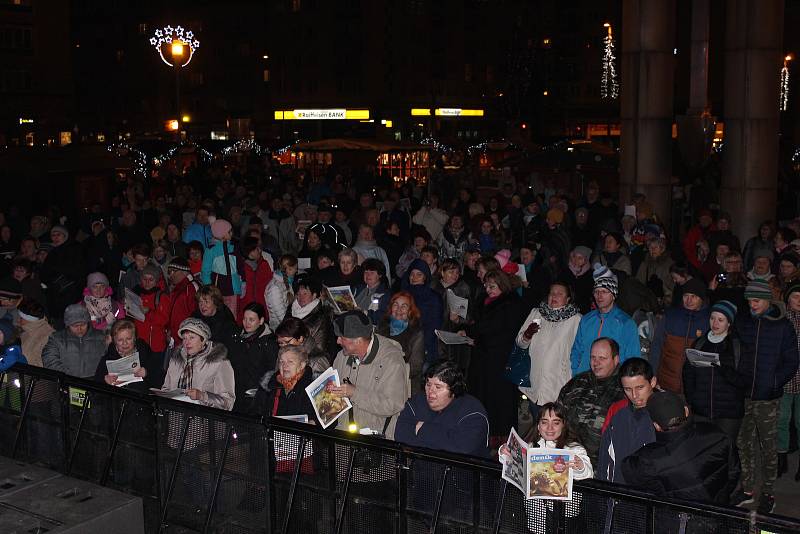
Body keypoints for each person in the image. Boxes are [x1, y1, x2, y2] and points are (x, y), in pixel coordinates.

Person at [733, 279, 800, 512]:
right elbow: (736, 351)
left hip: (767, 397)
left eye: (757, 300)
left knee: (768, 446)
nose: (752, 305)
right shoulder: (743, 322)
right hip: (745, 395)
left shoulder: (782, 326)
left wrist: (773, 382)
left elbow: (792, 361)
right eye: (749, 300)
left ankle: (769, 493)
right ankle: (748, 488)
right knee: (743, 442)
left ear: (768, 300)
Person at [621, 391, 740, 505]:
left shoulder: (649, 460)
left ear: (656, 426)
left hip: (678, 522)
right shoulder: (716, 435)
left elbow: (629, 471)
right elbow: (734, 473)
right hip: (719, 510)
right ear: (686, 411)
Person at [498, 402, 593, 534]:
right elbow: (511, 464)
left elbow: (588, 474)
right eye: (544, 422)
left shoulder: (573, 448)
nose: (550, 427)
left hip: (565, 518)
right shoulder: (530, 447)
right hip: (536, 517)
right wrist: (504, 452)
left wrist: (579, 466)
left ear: (563, 425)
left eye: (556, 422)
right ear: (538, 425)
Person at [462, 269, 528, 442]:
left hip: (499, 361)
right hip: (483, 360)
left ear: (502, 285)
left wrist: (478, 341)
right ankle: (481, 432)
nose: (488, 289)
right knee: (482, 398)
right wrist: (468, 332)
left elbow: (506, 333)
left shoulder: (511, 304)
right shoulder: (485, 302)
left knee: (499, 403)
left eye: (492, 286)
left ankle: (500, 439)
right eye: (486, 285)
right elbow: (482, 327)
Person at [328, 311, 409, 439]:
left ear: (358, 341)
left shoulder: (391, 361)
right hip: (344, 437)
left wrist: (355, 393)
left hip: (375, 442)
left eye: (342, 337)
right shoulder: (341, 357)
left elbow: (393, 404)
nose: (337, 341)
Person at [683, 300, 745, 446]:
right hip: (702, 411)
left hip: (728, 413)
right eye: (712, 318)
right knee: (703, 451)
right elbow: (688, 374)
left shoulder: (737, 346)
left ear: (729, 323)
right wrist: (692, 399)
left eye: (720, 320)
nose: (715, 323)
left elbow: (745, 380)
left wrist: (722, 367)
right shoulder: (700, 343)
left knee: (725, 451)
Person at [395, 360, 489, 456]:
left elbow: (463, 448)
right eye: (428, 385)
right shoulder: (417, 402)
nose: (430, 392)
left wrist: (422, 428)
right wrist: (446, 437)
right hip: (422, 468)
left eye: (438, 387)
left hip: (461, 469)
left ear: (453, 390)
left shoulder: (472, 411)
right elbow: (401, 436)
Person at [516, 281, 581, 419]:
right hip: (535, 385)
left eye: (559, 293)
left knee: (555, 429)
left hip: (558, 387)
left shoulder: (576, 320)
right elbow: (520, 343)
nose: (554, 296)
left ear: (568, 299)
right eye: (552, 293)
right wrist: (527, 336)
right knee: (538, 426)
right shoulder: (536, 313)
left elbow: (580, 352)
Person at [558, 337, 625, 467]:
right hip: (566, 461)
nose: (596, 362)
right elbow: (556, 416)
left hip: (600, 467)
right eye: (593, 357)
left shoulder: (625, 389)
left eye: (602, 358)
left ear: (616, 360)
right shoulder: (577, 383)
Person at [569, 266, 640, 375]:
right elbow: (577, 350)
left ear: (613, 295)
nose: (599, 296)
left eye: (604, 291)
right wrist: (576, 372)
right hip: (585, 379)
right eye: (596, 291)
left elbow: (632, 359)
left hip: (611, 382)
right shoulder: (587, 319)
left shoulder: (626, 323)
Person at [596, 358, 657, 483]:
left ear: (653, 382)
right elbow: (604, 460)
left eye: (640, 387)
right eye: (628, 389)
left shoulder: (665, 415)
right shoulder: (618, 415)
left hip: (650, 497)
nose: (634, 395)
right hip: (618, 495)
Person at [650, 277, 710, 394]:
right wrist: (652, 375)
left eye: (694, 296)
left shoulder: (709, 320)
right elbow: (656, 347)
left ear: (702, 299)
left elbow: (711, 356)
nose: (689, 300)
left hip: (695, 388)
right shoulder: (670, 317)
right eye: (686, 296)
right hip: (665, 384)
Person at [162, 318, 235, 410]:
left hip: (203, 421)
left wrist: (202, 396)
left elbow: (228, 403)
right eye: (184, 338)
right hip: (175, 417)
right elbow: (165, 390)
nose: (187, 342)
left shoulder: (219, 363)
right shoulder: (175, 360)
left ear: (203, 340)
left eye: (192, 337)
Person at [228, 302, 277, 413]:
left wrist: (260, 391)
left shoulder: (269, 343)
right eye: (245, 319)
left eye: (251, 319)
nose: (247, 323)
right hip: (236, 391)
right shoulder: (237, 337)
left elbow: (272, 371)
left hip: (256, 396)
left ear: (261, 321)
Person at [252, 344, 318, 424]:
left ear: (302, 365)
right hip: (272, 434)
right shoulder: (270, 385)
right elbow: (255, 413)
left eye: (290, 362)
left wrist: (313, 422)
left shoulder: (314, 387)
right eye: (281, 362)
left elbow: (327, 420)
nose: (285, 366)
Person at [94, 319, 164, 391]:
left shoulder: (145, 354)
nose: (125, 343)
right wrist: (105, 381)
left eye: (128, 339)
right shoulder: (107, 359)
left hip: (140, 399)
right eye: (120, 340)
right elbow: (96, 390)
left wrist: (146, 373)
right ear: (114, 341)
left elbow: (160, 383)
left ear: (134, 339)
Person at [377, 291, 425, 396]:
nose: (399, 309)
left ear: (410, 311)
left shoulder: (416, 332)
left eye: (404, 306)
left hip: (405, 382)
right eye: (395, 305)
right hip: (379, 379)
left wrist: (392, 375)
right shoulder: (382, 327)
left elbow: (416, 366)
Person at [41, 304, 107, 378]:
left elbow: (111, 360)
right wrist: (69, 379)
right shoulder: (56, 339)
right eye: (74, 325)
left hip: (96, 384)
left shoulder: (101, 337)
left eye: (83, 324)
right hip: (68, 383)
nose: (79, 329)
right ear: (67, 325)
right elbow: (49, 361)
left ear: (88, 322)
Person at [401, 258, 443, 365]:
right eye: (412, 274)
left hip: (423, 347)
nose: (414, 278)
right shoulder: (402, 294)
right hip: (402, 344)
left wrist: (424, 347)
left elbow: (434, 325)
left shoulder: (433, 297)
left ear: (425, 277)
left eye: (419, 274)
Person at [201, 219, 244, 318]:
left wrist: (243, 283)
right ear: (222, 234)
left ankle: (232, 331)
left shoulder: (233, 248)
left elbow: (240, 266)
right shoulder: (211, 250)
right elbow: (205, 271)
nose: (232, 233)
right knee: (218, 313)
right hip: (218, 289)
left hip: (233, 288)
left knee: (233, 314)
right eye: (229, 231)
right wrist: (208, 288)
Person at [779, 281, 800, 480]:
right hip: (785, 379)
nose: (799, 300)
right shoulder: (781, 319)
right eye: (795, 296)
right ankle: (781, 458)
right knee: (782, 420)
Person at [288, 274, 335, 357]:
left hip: (311, 359)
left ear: (314, 295)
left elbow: (320, 347)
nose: (301, 297)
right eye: (299, 294)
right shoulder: (290, 310)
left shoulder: (321, 316)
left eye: (305, 294)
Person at [132, 264, 172, 361]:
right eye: (145, 279)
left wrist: (149, 312)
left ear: (156, 281)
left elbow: (164, 320)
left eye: (151, 279)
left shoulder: (161, 297)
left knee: (154, 373)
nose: (147, 282)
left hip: (155, 345)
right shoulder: (136, 293)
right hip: (138, 343)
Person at [237, 235, 273, 324]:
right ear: (250, 252)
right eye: (257, 249)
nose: (260, 251)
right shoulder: (242, 269)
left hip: (263, 308)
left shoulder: (264, 264)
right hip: (247, 310)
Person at [166, 258, 199, 346]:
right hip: (177, 337)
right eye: (169, 272)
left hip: (187, 339)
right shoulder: (178, 287)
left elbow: (196, 315)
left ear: (184, 272)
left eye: (173, 271)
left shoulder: (192, 287)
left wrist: (191, 337)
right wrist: (170, 330)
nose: (170, 275)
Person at [353, 258, 391, 325]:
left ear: (380, 275)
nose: (368, 275)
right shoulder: (357, 289)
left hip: (367, 328)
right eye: (366, 272)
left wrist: (364, 312)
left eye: (372, 272)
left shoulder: (385, 295)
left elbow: (383, 318)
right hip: (351, 322)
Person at [265, 254, 297, 331]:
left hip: (287, 323)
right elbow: (281, 316)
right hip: (279, 329)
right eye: (294, 268)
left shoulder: (287, 282)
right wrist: (293, 329)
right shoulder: (274, 288)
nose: (296, 270)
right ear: (287, 269)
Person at [18, 299, 53, 367]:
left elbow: (42, 364)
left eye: (21, 318)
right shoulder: (28, 331)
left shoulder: (47, 336)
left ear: (28, 319)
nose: (18, 320)